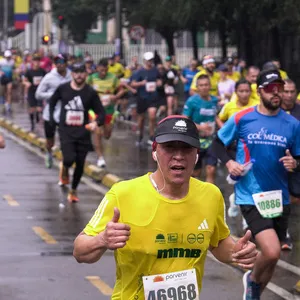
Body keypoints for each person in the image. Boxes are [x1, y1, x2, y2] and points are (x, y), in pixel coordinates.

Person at [73, 115, 257, 299]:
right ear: (155, 151)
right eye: (169, 147)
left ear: (196, 155)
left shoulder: (211, 195)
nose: (178, 156)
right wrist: (102, 240)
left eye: (186, 148)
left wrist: (236, 253)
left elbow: (218, 243)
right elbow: (80, 251)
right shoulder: (123, 193)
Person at [212, 69, 300, 299]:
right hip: (250, 195)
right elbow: (217, 144)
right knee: (270, 252)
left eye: (279, 88)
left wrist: (295, 163)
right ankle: (251, 279)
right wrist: (230, 162)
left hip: (279, 196)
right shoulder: (243, 117)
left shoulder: (292, 124)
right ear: (259, 91)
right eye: (271, 89)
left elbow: (298, 157)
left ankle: (255, 292)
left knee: (274, 256)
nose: (277, 93)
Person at [49, 63, 105, 202]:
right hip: (66, 130)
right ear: (72, 74)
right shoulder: (63, 89)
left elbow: (101, 112)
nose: (79, 75)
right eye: (76, 72)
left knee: (80, 163)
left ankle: (73, 191)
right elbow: (52, 102)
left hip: (83, 132)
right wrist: (52, 118)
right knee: (68, 158)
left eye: (82, 72)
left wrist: (95, 123)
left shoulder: (90, 92)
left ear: (86, 74)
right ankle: (65, 168)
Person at [35, 54, 72, 168]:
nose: (60, 64)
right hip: (50, 113)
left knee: (65, 139)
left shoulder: (71, 76)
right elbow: (38, 94)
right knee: (50, 140)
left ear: (66, 63)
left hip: (67, 113)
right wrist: (54, 95)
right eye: (57, 62)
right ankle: (49, 153)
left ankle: (64, 160)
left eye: (62, 62)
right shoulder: (49, 77)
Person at [87, 58, 124, 168]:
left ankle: (98, 139)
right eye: (101, 70)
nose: (103, 72)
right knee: (97, 131)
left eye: (105, 70)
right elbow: (84, 89)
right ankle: (100, 158)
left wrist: (115, 96)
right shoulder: (91, 78)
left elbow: (121, 90)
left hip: (109, 110)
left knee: (107, 135)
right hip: (95, 110)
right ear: (97, 68)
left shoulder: (113, 78)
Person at [183, 74, 218, 183]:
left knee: (211, 169)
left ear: (210, 86)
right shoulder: (191, 101)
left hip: (211, 140)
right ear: (197, 87)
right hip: (196, 141)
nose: (204, 87)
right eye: (201, 85)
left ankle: (209, 198)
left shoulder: (215, 100)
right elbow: (184, 121)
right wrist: (200, 127)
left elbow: (217, 117)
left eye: (206, 85)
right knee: (196, 173)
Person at [131, 51, 162, 144]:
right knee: (141, 119)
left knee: (152, 116)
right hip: (142, 98)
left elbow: (159, 79)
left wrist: (159, 83)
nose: (150, 62)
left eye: (151, 60)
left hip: (152, 97)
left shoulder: (155, 70)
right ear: (144, 61)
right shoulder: (139, 72)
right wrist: (141, 83)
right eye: (148, 60)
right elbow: (132, 83)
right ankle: (140, 135)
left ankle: (151, 136)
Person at [23, 54, 46, 131]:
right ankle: (32, 124)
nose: (37, 62)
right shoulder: (29, 72)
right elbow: (24, 80)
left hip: (40, 92)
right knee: (32, 109)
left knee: (39, 109)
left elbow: (47, 80)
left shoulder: (42, 71)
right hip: (31, 92)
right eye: (35, 60)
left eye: (38, 61)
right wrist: (27, 83)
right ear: (32, 62)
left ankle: (38, 118)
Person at [0, 50, 15, 114]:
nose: (8, 57)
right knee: (2, 93)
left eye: (9, 56)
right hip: (2, 78)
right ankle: (2, 105)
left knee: (9, 91)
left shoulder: (12, 61)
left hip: (9, 78)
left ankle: (8, 106)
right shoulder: (1, 61)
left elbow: (13, 68)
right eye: (7, 56)